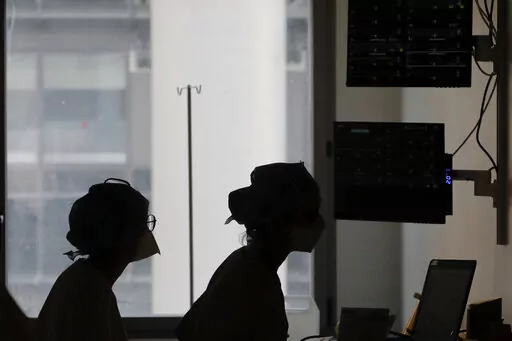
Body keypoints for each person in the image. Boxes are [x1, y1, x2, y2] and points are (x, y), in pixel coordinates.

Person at [176, 162, 325, 341]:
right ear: (282, 221)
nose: (319, 223)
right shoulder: (254, 279)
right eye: (311, 214)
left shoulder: (246, 263)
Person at [37, 178, 160, 341]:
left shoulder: (82, 279)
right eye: (141, 223)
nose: (146, 232)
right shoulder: (90, 292)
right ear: (122, 236)